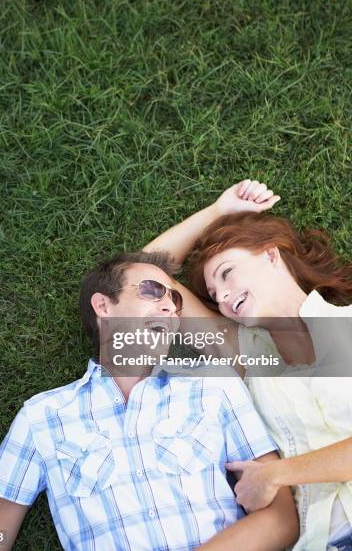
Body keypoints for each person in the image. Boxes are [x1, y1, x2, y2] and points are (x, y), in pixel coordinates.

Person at [0, 185, 298, 551]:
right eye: (151, 293)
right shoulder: (42, 417)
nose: (170, 308)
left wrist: (219, 211)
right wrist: (216, 209)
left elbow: (281, 518)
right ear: (103, 306)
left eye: (174, 301)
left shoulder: (214, 386)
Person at [143, 179, 352, 551]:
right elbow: (145, 275)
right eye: (214, 295)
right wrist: (218, 210)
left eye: (227, 273)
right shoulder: (245, 354)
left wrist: (274, 475)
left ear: (271, 255)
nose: (222, 297)